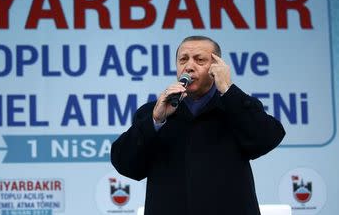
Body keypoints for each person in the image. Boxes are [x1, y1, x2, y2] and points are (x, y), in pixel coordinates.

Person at [110, 36, 285, 215]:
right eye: (183, 60)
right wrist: (155, 121)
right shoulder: (153, 112)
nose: (189, 66)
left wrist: (228, 89)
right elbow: (125, 164)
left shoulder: (236, 106)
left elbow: (267, 138)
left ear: (217, 67)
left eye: (200, 60)